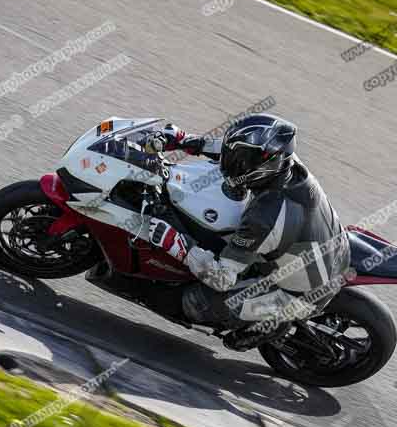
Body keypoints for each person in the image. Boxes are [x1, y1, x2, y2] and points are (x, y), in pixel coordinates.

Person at [147, 114, 351, 351]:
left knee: (194, 302)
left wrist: (180, 245)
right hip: (337, 250)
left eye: (241, 162)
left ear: (263, 164)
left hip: (299, 295)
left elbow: (222, 279)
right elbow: (234, 151)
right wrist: (185, 140)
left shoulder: (264, 218)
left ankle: (274, 325)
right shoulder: (285, 161)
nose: (233, 165)